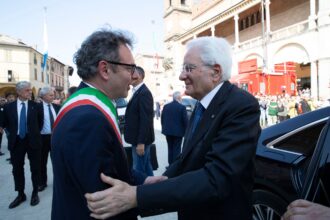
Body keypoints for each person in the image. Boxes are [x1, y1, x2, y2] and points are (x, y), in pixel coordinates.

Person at [85, 36, 261, 220]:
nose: (181, 76)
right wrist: (161, 181)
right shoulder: (202, 105)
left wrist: (137, 196)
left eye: (189, 68)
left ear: (215, 72)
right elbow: (188, 158)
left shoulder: (240, 105)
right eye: (183, 68)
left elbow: (217, 178)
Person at [50, 29, 164, 220]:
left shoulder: (86, 108)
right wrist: (154, 197)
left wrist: (144, 180)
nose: (133, 76)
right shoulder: (87, 119)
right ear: (104, 70)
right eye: (130, 68)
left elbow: (110, 169)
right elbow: (107, 200)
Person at [0, 81, 42, 208]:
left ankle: (35, 192)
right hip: (17, 141)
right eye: (27, 90)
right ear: (18, 92)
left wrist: (33, 133)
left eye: (30, 90)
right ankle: (20, 194)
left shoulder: (35, 106)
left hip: (32, 141)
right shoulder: (8, 107)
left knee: (35, 168)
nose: (30, 92)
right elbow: (4, 123)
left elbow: (39, 123)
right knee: (17, 169)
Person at [124, 66, 155, 176]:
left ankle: (141, 191)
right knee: (146, 167)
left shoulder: (144, 93)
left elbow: (145, 120)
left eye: (133, 73)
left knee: (138, 170)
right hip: (137, 139)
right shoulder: (138, 91)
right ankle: (155, 189)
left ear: (140, 76)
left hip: (141, 141)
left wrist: (141, 142)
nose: (130, 75)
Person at [37, 86, 61, 192]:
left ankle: (59, 180)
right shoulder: (37, 107)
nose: (53, 96)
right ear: (44, 96)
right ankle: (42, 182)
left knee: (57, 160)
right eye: (51, 95)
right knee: (42, 161)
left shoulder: (56, 107)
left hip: (55, 137)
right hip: (43, 138)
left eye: (53, 94)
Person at [161, 91, 188, 165]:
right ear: (179, 98)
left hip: (168, 131)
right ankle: (174, 166)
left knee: (170, 149)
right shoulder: (182, 107)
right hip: (178, 132)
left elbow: (162, 118)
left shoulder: (166, 106)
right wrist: (187, 131)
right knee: (176, 150)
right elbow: (185, 121)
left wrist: (164, 128)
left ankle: (170, 165)